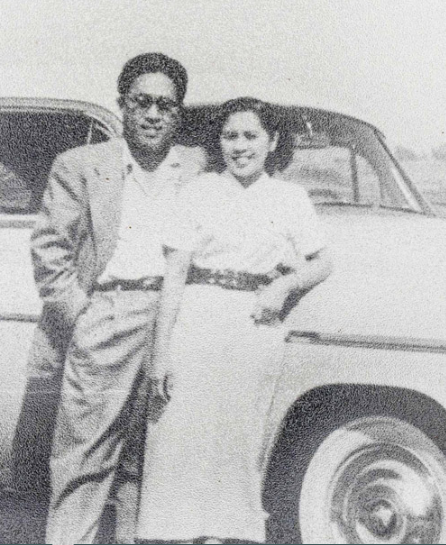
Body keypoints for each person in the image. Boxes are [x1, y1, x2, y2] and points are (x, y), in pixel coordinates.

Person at [25, 53, 205, 545]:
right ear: (122, 105)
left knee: (149, 463)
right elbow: (49, 249)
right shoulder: (82, 166)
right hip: (104, 315)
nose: (152, 115)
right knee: (84, 458)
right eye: (142, 102)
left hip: (175, 322)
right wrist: (81, 313)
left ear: (178, 114)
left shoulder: (195, 168)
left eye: (165, 106)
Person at [136, 97, 335, 543]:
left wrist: (285, 286)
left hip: (254, 329)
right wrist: (161, 352)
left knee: (237, 447)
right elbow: (174, 276)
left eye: (250, 136)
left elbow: (322, 263)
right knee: (178, 442)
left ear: (272, 141)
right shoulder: (196, 192)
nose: (239, 146)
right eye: (230, 136)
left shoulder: (290, 198)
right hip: (197, 321)